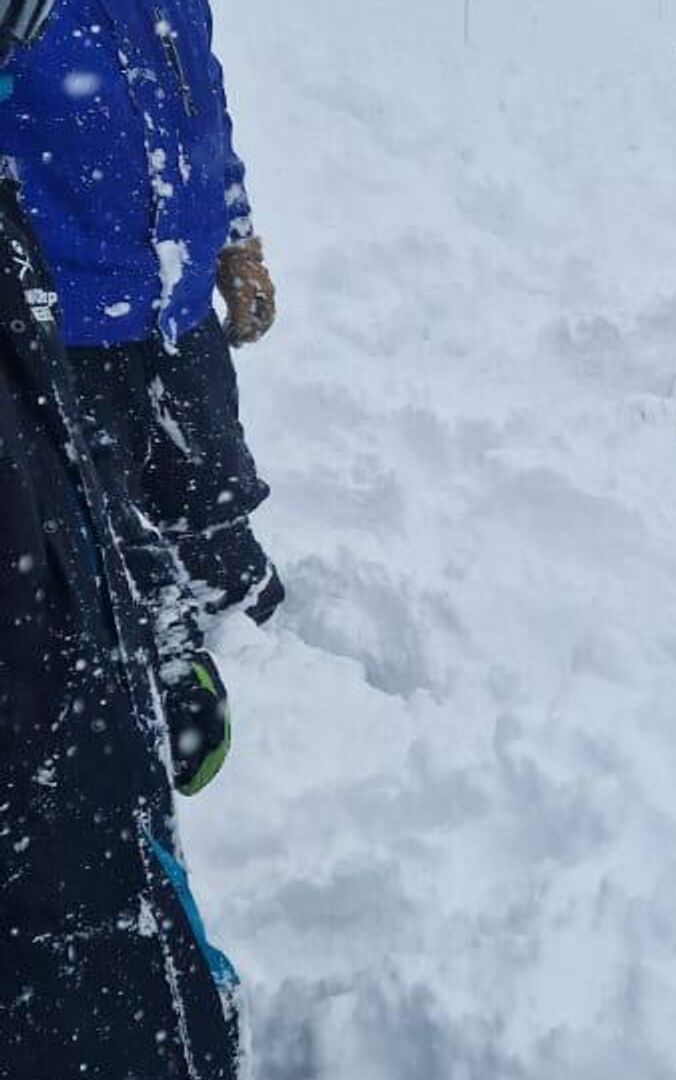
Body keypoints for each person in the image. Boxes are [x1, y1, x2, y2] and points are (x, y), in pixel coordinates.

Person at [1, 4, 242, 1076]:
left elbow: (209, 113)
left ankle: (197, 598)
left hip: (173, 300)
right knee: (96, 508)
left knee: (205, 500)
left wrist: (237, 237)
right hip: (73, 318)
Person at [2, 0, 283, 628]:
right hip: (61, 333)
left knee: (228, 560)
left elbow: (203, 109)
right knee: (111, 587)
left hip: (177, 322)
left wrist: (236, 240)